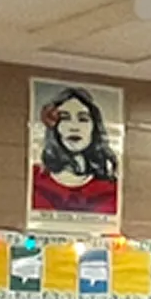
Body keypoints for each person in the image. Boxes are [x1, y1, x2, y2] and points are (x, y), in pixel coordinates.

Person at [30, 85, 119, 218]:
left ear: (94, 127)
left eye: (83, 119)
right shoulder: (36, 180)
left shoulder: (111, 188)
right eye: (64, 118)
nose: (74, 127)